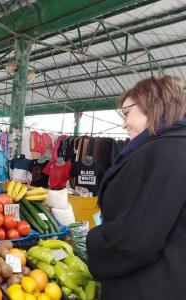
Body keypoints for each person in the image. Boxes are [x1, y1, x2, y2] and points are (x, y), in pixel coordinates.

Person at [86, 75, 186, 299]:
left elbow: (139, 238)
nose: (124, 123)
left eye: (127, 113)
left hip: (147, 286)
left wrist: (94, 238)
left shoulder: (164, 152)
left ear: (152, 104)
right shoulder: (174, 146)